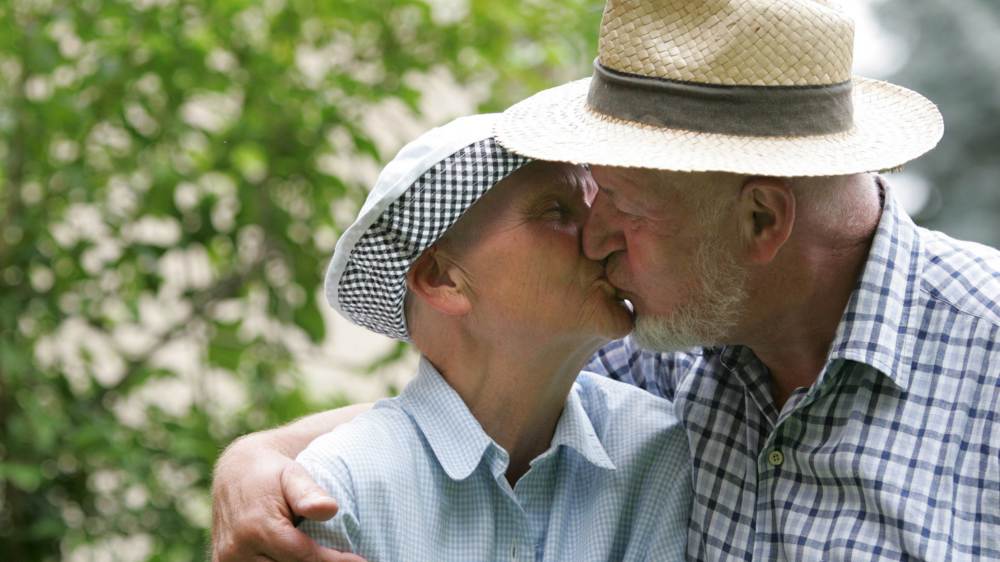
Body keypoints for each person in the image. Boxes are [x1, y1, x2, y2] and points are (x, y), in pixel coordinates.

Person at [212, 1, 1000, 560]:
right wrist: (255, 457)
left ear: (762, 221)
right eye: (585, 197)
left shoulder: (986, 357)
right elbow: (478, 401)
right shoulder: (663, 334)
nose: (594, 237)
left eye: (624, 206)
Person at [225, 113, 692, 561]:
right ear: (443, 279)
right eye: (556, 211)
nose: (603, 237)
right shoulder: (339, 490)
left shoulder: (659, 450)